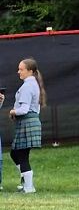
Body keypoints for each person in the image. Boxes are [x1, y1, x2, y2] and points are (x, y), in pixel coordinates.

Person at [9, 58, 45, 194]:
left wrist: (13, 111)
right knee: (15, 153)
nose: (19, 71)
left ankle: (29, 188)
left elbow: (24, 109)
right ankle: (26, 182)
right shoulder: (33, 84)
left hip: (27, 122)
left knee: (22, 156)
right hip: (30, 122)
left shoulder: (28, 86)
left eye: (21, 69)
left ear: (30, 71)